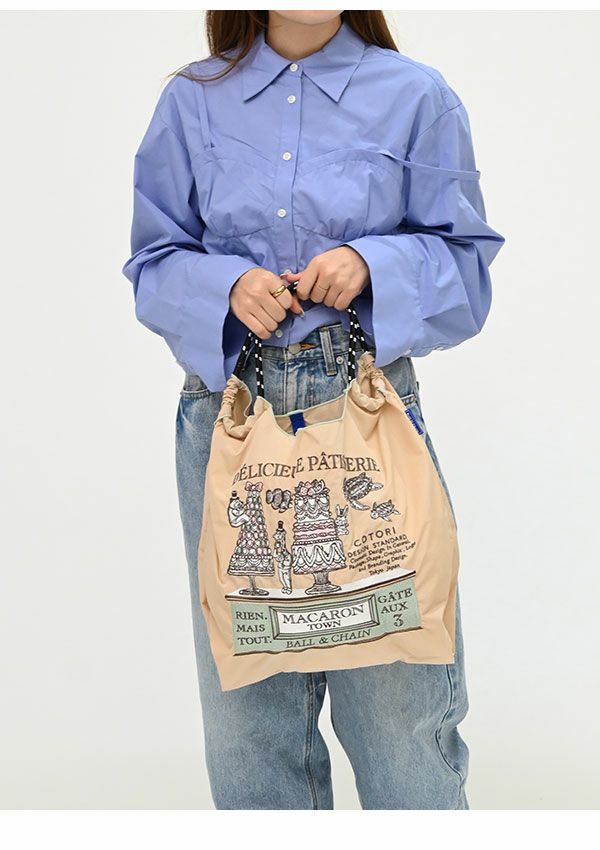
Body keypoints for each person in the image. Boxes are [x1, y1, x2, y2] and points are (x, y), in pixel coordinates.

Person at [122, 9, 505, 810]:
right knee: (248, 722)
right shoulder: (192, 101)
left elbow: (466, 270)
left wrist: (372, 263)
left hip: (365, 409)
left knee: (401, 715)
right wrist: (225, 286)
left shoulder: (418, 96)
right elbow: (153, 260)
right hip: (230, 417)